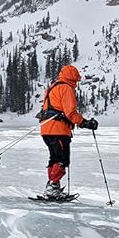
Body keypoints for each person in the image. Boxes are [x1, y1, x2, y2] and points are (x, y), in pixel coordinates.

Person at [39, 65, 98, 199]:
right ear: (73, 78)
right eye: (76, 80)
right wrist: (85, 123)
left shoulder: (52, 87)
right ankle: (53, 187)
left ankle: (53, 186)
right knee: (62, 159)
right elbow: (70, 112)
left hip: (46, 129)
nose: (76, 83)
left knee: (54, 158)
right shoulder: (66, 88)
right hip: (58, 129)